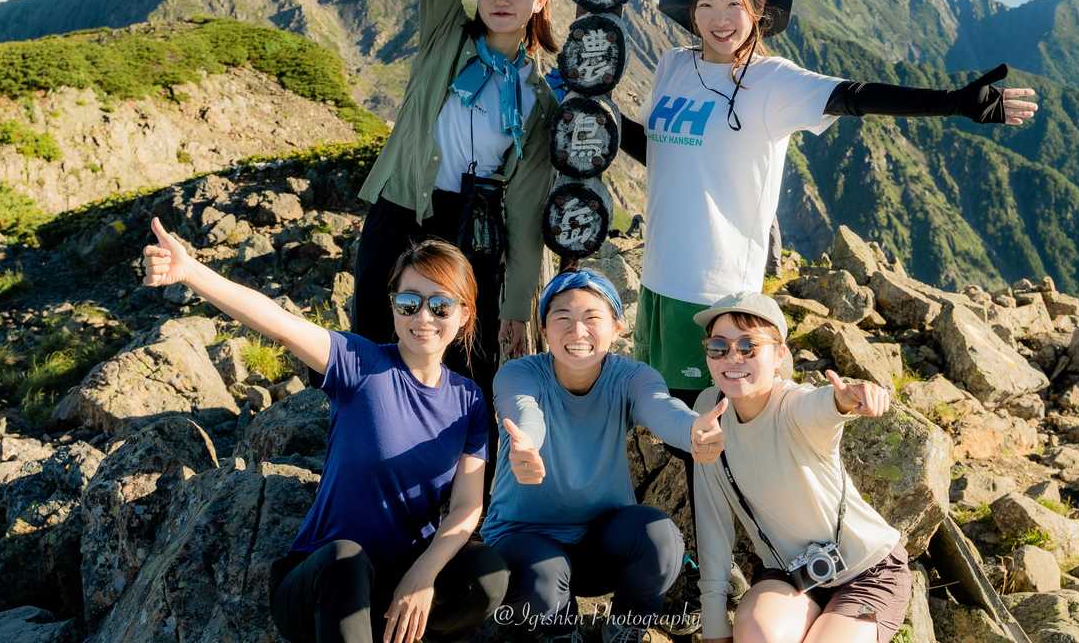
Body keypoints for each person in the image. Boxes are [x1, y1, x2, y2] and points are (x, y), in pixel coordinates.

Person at [628, 0, 1039, 401]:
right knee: (656, 411)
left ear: (758, 7)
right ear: (691, 10)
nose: (718, 19)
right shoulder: (673, 66)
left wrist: (954, 103)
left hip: (715, 288)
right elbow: (659, 150)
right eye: (706, 4)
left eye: (732, 4)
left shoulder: (772, 81)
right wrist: (594, 114)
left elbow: (855, 96)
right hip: (656, 279)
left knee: (706, 421)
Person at [142, 223, 507, 643]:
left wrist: (423, 575)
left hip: (402, 575)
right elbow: (278, 323)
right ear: (393, 307)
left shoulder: (468, 400)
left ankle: (401, 628)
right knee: (346, 559)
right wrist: (190, 271)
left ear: (464, 314)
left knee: (487, 575)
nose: (423, 317)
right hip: (323, 582)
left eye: (440, 305)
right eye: (409, 302)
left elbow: (466, 506)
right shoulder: (359, 363)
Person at [354, 0, 597, 382]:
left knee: (465, 354)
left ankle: (462, 432)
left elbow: (525, 206)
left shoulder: (540, 98)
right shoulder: (445, 38)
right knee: (377, 333)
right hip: (402, 207)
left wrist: (516, 307)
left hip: (472, 226)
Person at [481, 269, 728, 642]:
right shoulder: (518, 374)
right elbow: (524, 411)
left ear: (617, 328)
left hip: (602, 541)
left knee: (660, 539)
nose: (577, 331)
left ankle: (625, 627)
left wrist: (693, 430)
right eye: (562, 318)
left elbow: (661, 407)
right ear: (544, 328)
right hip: (526, 537)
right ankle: (561, 633)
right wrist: (526, 444)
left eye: (592, 318)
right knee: (542, 581)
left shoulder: (632, 378)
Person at [690, 292, 910, 643]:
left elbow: (821, 406)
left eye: (748, 346)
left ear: (779, 355)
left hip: (868, 572)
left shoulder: (792, 405)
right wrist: (714, 627)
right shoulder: (709, 410)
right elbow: (712, 522)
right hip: (792, 573)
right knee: (757, 633)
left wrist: (848, 398)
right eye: (718, 346)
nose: (732, 356)